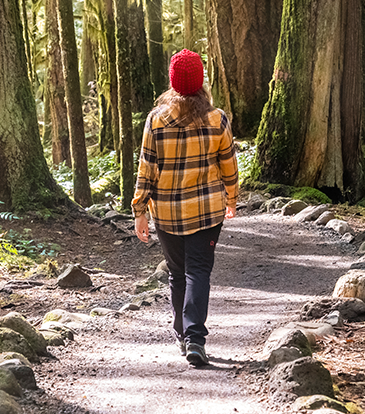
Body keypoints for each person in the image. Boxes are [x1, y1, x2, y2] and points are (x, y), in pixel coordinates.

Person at [132, 49, 239, 366]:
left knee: (178, 273)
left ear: (173, 82)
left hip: (166, 213)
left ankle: (182, 333)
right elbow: (229, 167)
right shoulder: (216, 120)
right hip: (207, 212)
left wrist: (139, 210)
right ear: (200, 82)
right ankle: (194, 338)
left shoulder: (156, 120)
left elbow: (146, 169)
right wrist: (231, 199)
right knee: (198, 271)